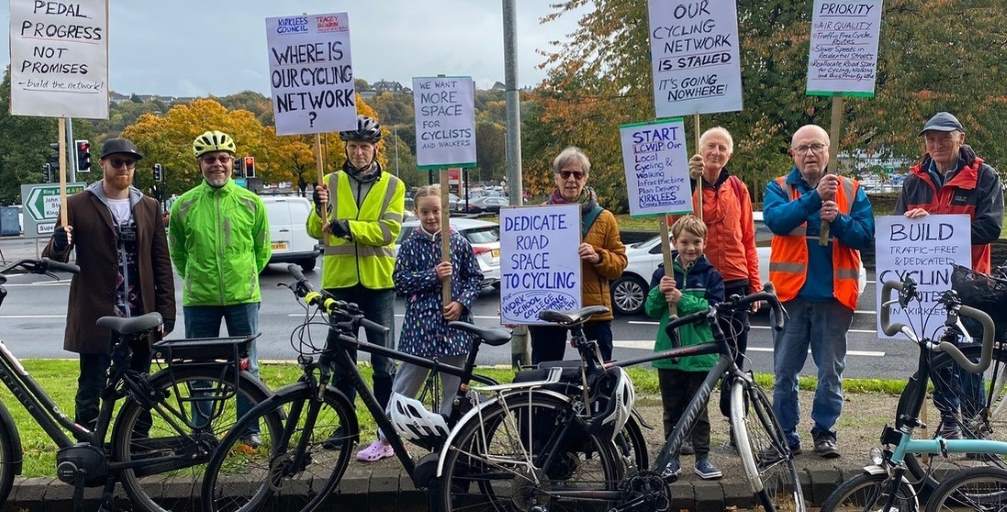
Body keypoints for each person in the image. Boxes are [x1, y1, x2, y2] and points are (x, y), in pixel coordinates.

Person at [44, 137, 176, 439]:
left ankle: (136, 445)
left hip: (140, 314)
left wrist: (166, 311)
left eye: (130, 163)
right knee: (90, 385)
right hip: (97, 315)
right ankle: (87, 445)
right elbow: (54, 257)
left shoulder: (149, 206)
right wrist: (60, 243)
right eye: (117, 162)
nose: (124, 168)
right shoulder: (76, 205)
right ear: (102, 163)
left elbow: (161, 263)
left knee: (141, 385)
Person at [764, 124, 874, 458]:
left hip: (834, 298)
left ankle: (825, 431)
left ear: (828, 151)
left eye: (817, 146)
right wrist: (815, 199)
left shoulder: (853, 191)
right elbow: (777, 221)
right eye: (803, 148)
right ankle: (785, 434)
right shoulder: (779, 187)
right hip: (790, 298)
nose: (810, 153)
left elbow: (864, 236)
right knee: (784, 373)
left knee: (830, 372)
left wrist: (838, 220)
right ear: (793, 154)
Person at [895, 112, 1004, 438]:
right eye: (931, 138)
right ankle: (950, 420)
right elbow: (898, 227)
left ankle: (974, 423)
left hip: (972, 285)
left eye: (944, 137)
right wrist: (910, 225)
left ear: (961, 138)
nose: (937, 144)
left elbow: (991, 227)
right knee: (937, 353)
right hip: (929, 283)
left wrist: (936, 221)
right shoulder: (914, 181)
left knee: (970, 356)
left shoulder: (984, 176)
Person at [355, 185, 483, 461]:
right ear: (417, 212)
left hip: (455, 330)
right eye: (425, 212)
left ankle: (451, 443)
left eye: (436, 211)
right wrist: (432, 275)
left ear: (444, 211)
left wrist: (461, 303)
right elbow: (400, 282)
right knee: (403, 388)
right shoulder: (411, 245)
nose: (431, 217)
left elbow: (475, 278)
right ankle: (385, 438)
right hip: (419, 331)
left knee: (454, 391)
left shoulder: (458, 242)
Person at [307, 115, 405, 459]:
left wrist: (348, 227)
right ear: (345, 149)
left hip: (378, 283)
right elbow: (314, 230)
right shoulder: (329, 181)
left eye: (365, 146)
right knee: (342, 360)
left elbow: (387, 231)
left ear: (375, 148)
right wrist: (315, 204)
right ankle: (344, 427)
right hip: (340, 283)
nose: (359, 153)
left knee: (383, 362)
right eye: (353, 147)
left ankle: (385, 428)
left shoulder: (393, 185)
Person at [168, 130, 270, 446]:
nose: (217, 165)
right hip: (200, 299)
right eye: (210, 159)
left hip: (243, 296)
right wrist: (198, 276)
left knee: (247, 368)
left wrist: (245, 276)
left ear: (233, 162)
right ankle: (202, 432)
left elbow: (261, 250)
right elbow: (177, 252)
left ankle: (248, 432)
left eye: (223, 159)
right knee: (199, 368)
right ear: (200, 163)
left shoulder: (251, 203)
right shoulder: (183, 205)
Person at [680, 127, 762, 442]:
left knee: (735, 355)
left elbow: (748, 238)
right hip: (699, 279)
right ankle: (691, 428)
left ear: (729, 153)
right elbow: (674, 224)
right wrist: (689, 182)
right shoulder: (688, 182)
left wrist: (754, 282)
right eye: (710, 146)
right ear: (700, 149)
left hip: (735, 280)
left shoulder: (738, 188)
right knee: (697, 357)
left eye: (722, 147)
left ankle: (735, 422)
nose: (716, 152)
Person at [529, 146, 628, 364]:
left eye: (578, 174)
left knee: (599, 373)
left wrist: (598, 257)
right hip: (551, 308)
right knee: (548, 371)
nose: (571, 179)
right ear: (556, 177)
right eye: (565, 173)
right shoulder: (538, 216)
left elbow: (620, 264)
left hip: (593, 311)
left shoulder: (604, 218)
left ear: (586, 178)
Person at [645, 215, 725, 480]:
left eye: (697, 242)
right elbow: (650, 309)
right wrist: (660, 291)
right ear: (674, 243)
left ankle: (703, 458)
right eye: (685, 242)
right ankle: (671, 458)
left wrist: (683, 299)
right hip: (670, 354)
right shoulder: (662, 272)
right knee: (672, 409)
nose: (691, 248)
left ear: (705, 242)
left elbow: (714, 310)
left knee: (699, 411)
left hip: (700, 354)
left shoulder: (711, 275)